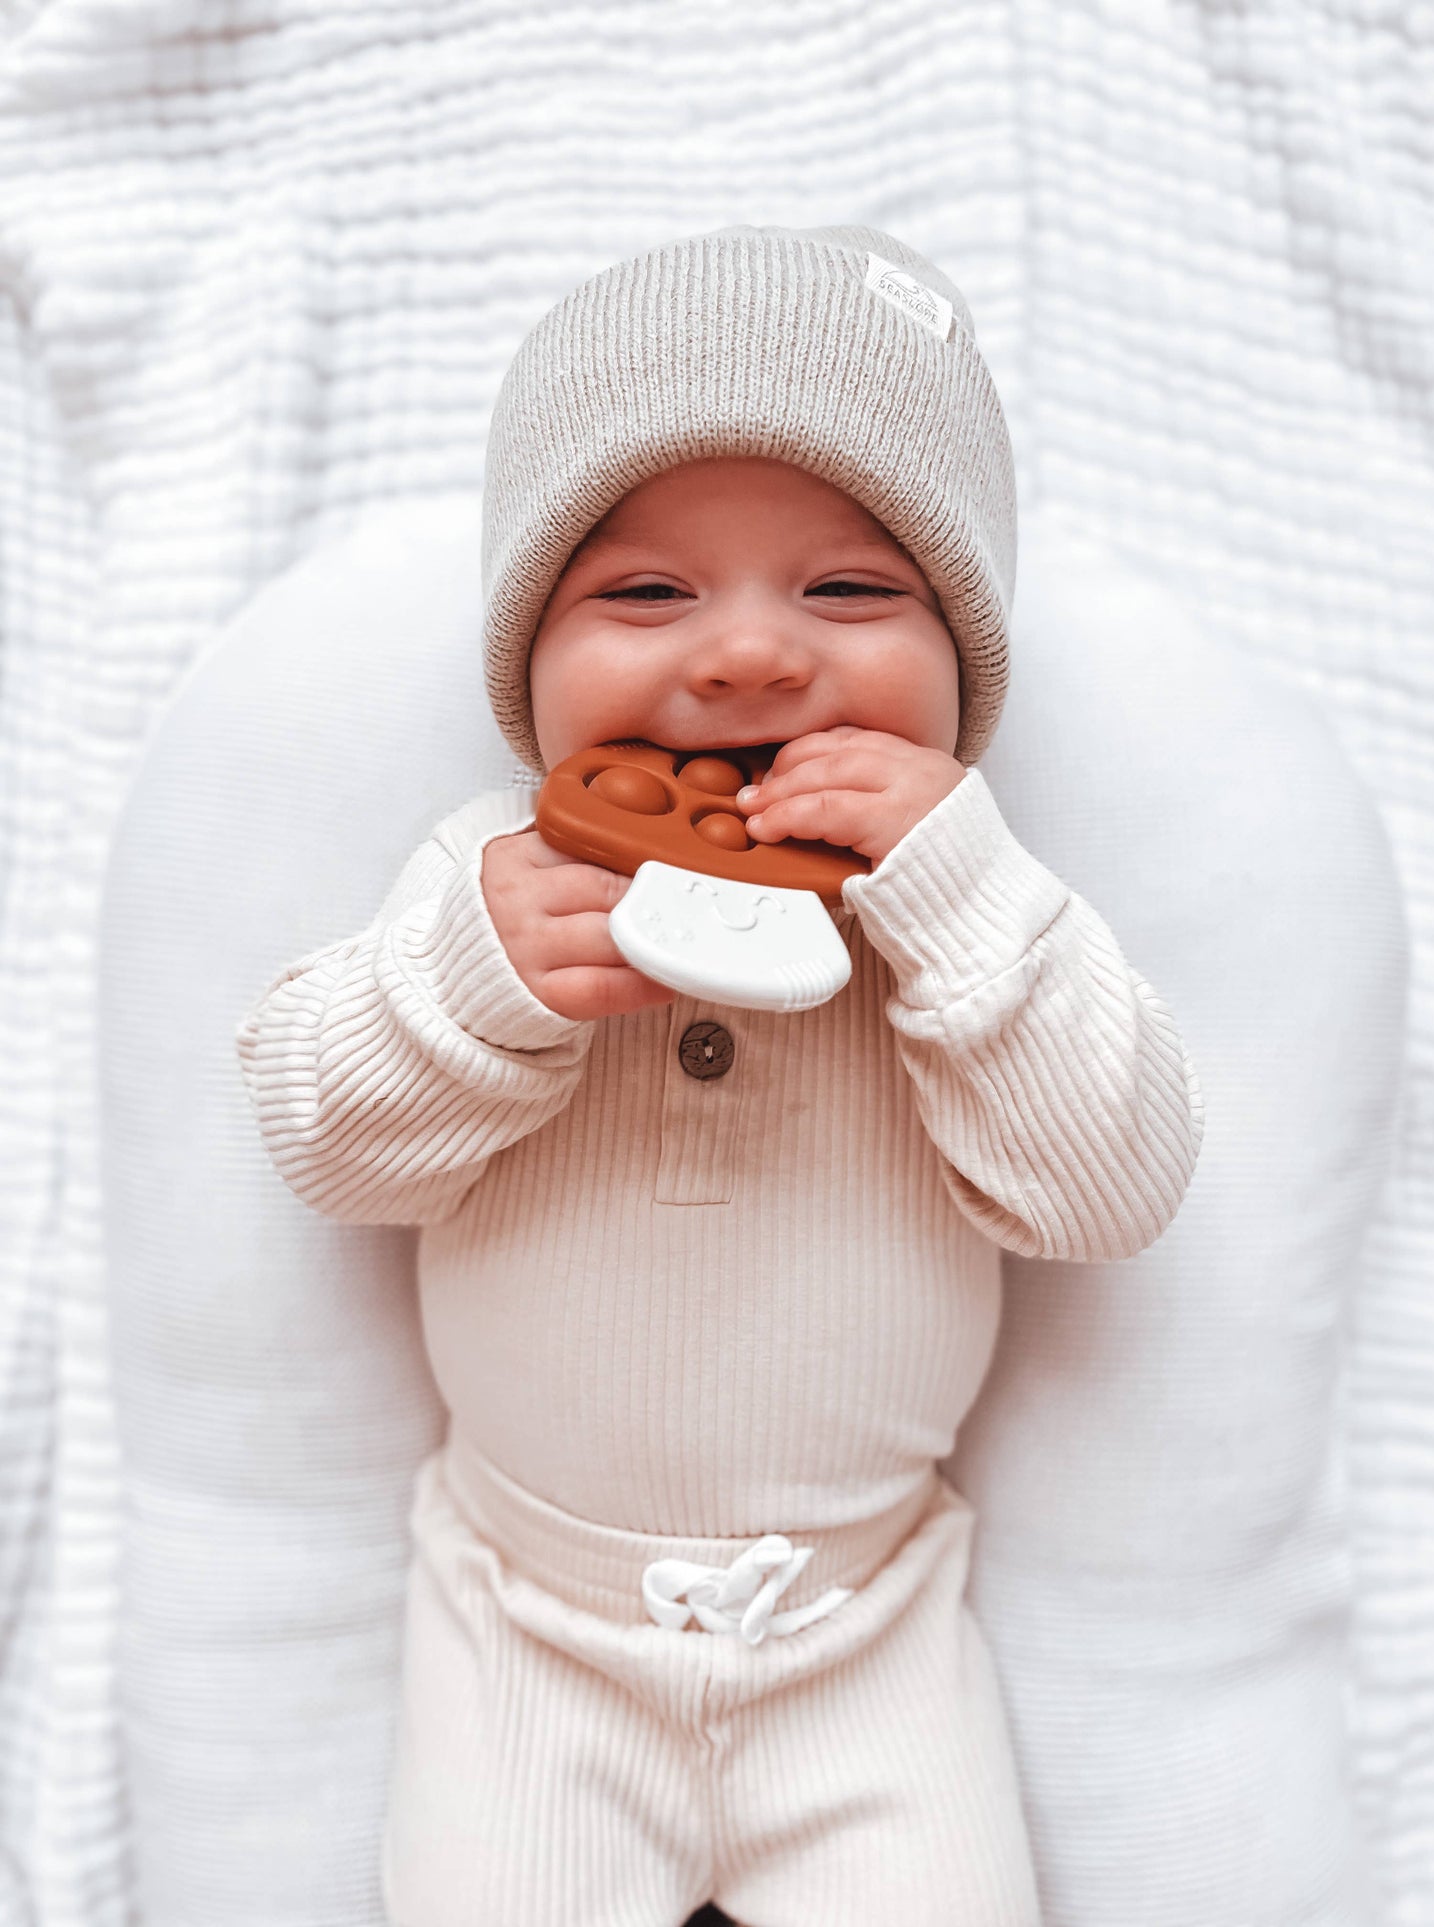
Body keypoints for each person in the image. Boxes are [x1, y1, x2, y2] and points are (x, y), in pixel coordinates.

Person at [236, 223, 1204, 1927]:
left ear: (965, 667)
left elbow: (1112, 1193)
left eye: (846, 590)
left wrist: (961, 903)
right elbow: (320, 1136)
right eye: (644, 591)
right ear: (526, 652)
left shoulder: (979, 910)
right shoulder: (492, 872)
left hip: (862, 1648)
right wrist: (475, 983)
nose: (751, 656)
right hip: (528, 1646)